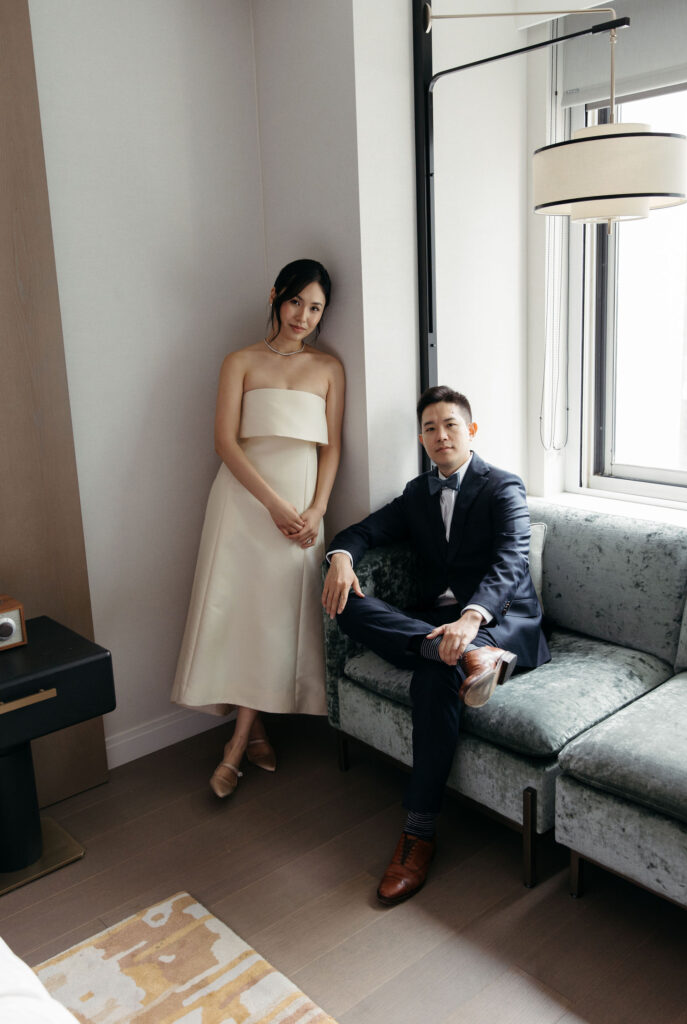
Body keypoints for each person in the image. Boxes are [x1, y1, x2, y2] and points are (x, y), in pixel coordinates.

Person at [321, 385, 550, 904]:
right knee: (344, 602)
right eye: (429, 427)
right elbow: (363, 531)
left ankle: (418, 833)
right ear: (422, 438)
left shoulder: (502, 487)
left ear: (470, 431)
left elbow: (512, 562)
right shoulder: (417, 494)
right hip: (440, 624)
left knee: (435, 675)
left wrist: (471, 619)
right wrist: (339, 555)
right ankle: (447, 650)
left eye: (450, 425)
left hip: (500, 620)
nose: (440, 435)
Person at [172, 259, 344, 798]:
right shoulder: (240, 360)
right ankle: (247, 735)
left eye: (315, 308)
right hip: (246, 506)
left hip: (301, 514)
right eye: (296, 302)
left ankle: (241, 738)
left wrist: (317, 509)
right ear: (276, 295)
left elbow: (332, 447)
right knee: (245, 615)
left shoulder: (329, 369)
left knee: (276, 618)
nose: (304, 316)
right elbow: (225, 442)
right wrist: (273, 505)